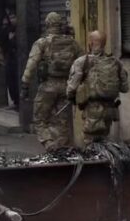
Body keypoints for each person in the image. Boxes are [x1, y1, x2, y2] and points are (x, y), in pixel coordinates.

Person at [21, 12, 83, 151]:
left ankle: (49, 144)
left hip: (48, 86)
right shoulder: (72, 42)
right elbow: (82, 62)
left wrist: (25, 84)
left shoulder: (42, 43)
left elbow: (31, 63)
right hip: (66, 86)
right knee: (63, 121)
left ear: (47, 24)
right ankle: (63, 149)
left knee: (39, 118)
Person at [66, 31, 128, 145]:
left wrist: (72, 97)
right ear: (104, 43)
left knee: (90, 142)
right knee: (104, 141)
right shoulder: (115, 62)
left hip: (92, 109)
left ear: (90, 43)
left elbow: (72, 88)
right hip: (110, 109)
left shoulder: (82, 62)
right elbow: (125, 88)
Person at [0, 9, 19, 109]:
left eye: (14, 17)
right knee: (11, 81)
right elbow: (1, 41)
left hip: (18, 59)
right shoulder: (8, 29)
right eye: (11, 18)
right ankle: (15, 101)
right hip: (10, 58)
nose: (12, 19)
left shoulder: (20, 29)